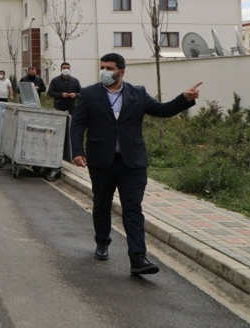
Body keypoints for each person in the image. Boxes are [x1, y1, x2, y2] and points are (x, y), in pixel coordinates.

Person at [71, 52, 201, 275]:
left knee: (133, 208)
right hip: (101, 161)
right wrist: (77, 152)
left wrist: (184, 99)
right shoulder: (89, 94)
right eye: (102, 67)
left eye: (109, 68)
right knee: (102, 204)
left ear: (121, 72)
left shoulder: (137, 93)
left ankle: (138, 258)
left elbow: (162, 110)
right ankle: (102, 242)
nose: (104, 71)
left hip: (133, 162)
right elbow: (77, 125)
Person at [47, 62, 82, 161]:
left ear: (70, 69)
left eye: (67, 67)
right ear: (60, 69)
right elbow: (50, 93)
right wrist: (61, 95)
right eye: (64, 67)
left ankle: (71, 154)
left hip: (72, 109)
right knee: (58, 131)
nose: (66, 69)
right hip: (59, 109)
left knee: (72, 131)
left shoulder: (75, 81)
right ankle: (57, 153)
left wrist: (75, 95)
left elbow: (81, 93)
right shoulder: (55, 81)